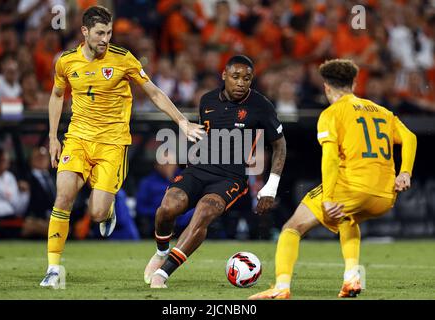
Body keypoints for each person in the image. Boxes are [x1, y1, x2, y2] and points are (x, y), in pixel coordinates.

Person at [40, 5, 204, 288]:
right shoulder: (66, 61)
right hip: (77, 138)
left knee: (97, 213)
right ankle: (53, 269)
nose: (105, 38)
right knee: (63, 198)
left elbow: (152, 90)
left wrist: (181, 121)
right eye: (100, 33)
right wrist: (53, 137)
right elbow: (56, 95)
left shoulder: (123, 59)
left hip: (112, 144)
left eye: (109, 32)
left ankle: (108, 208)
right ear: (85, 32)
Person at [249, 59, 417, 300]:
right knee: (347, 218)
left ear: (326, 87)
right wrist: (405, 172)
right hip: (386, 194)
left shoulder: (331, 114)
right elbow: (410, 138)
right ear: (355, 83)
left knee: (292, 228)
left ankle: (281, 287)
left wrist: (328, 198)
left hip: (353, 188)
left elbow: (330, 160)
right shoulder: (382, 111)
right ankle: (351, 279)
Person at [144, 55, 287, 288]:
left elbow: (280, 144)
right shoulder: (207, 100)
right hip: (198, 168)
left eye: (247, 78)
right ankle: (161, 251)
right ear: (224, 75)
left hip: (230, 178)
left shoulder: (261, 106)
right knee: (167, 209)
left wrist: (271, 186)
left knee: (204, 213)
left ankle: (164, 273)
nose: (241, 83)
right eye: (236, 77)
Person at [0, 147, 30, 240]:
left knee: (31, 225)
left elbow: (18, 207)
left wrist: (25, 194)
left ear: (8, 163)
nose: (0, 163)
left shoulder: (10, 178)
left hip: (9, 219)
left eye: (3, 160)